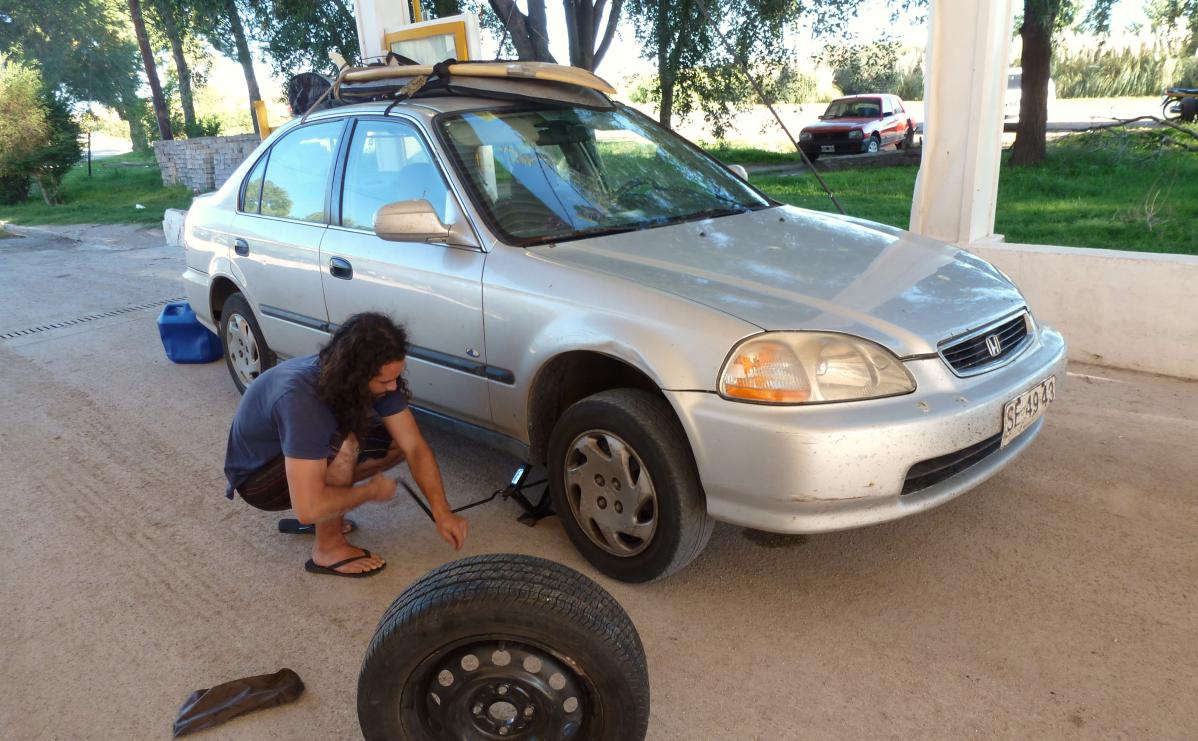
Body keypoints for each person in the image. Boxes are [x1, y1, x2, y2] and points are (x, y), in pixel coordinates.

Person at [223, 312, 468, 577]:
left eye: (396, 377)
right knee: (344, 448)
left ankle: (327, 507)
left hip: (292, 457)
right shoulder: (302, 400)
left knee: (396, 444)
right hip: (258, 480)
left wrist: (442, 511)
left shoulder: (362, 378)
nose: (393, 386)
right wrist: (368, 492)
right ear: (355, 376)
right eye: (384, 381)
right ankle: (328, 549)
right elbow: (306, 510)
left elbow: (414, 446)